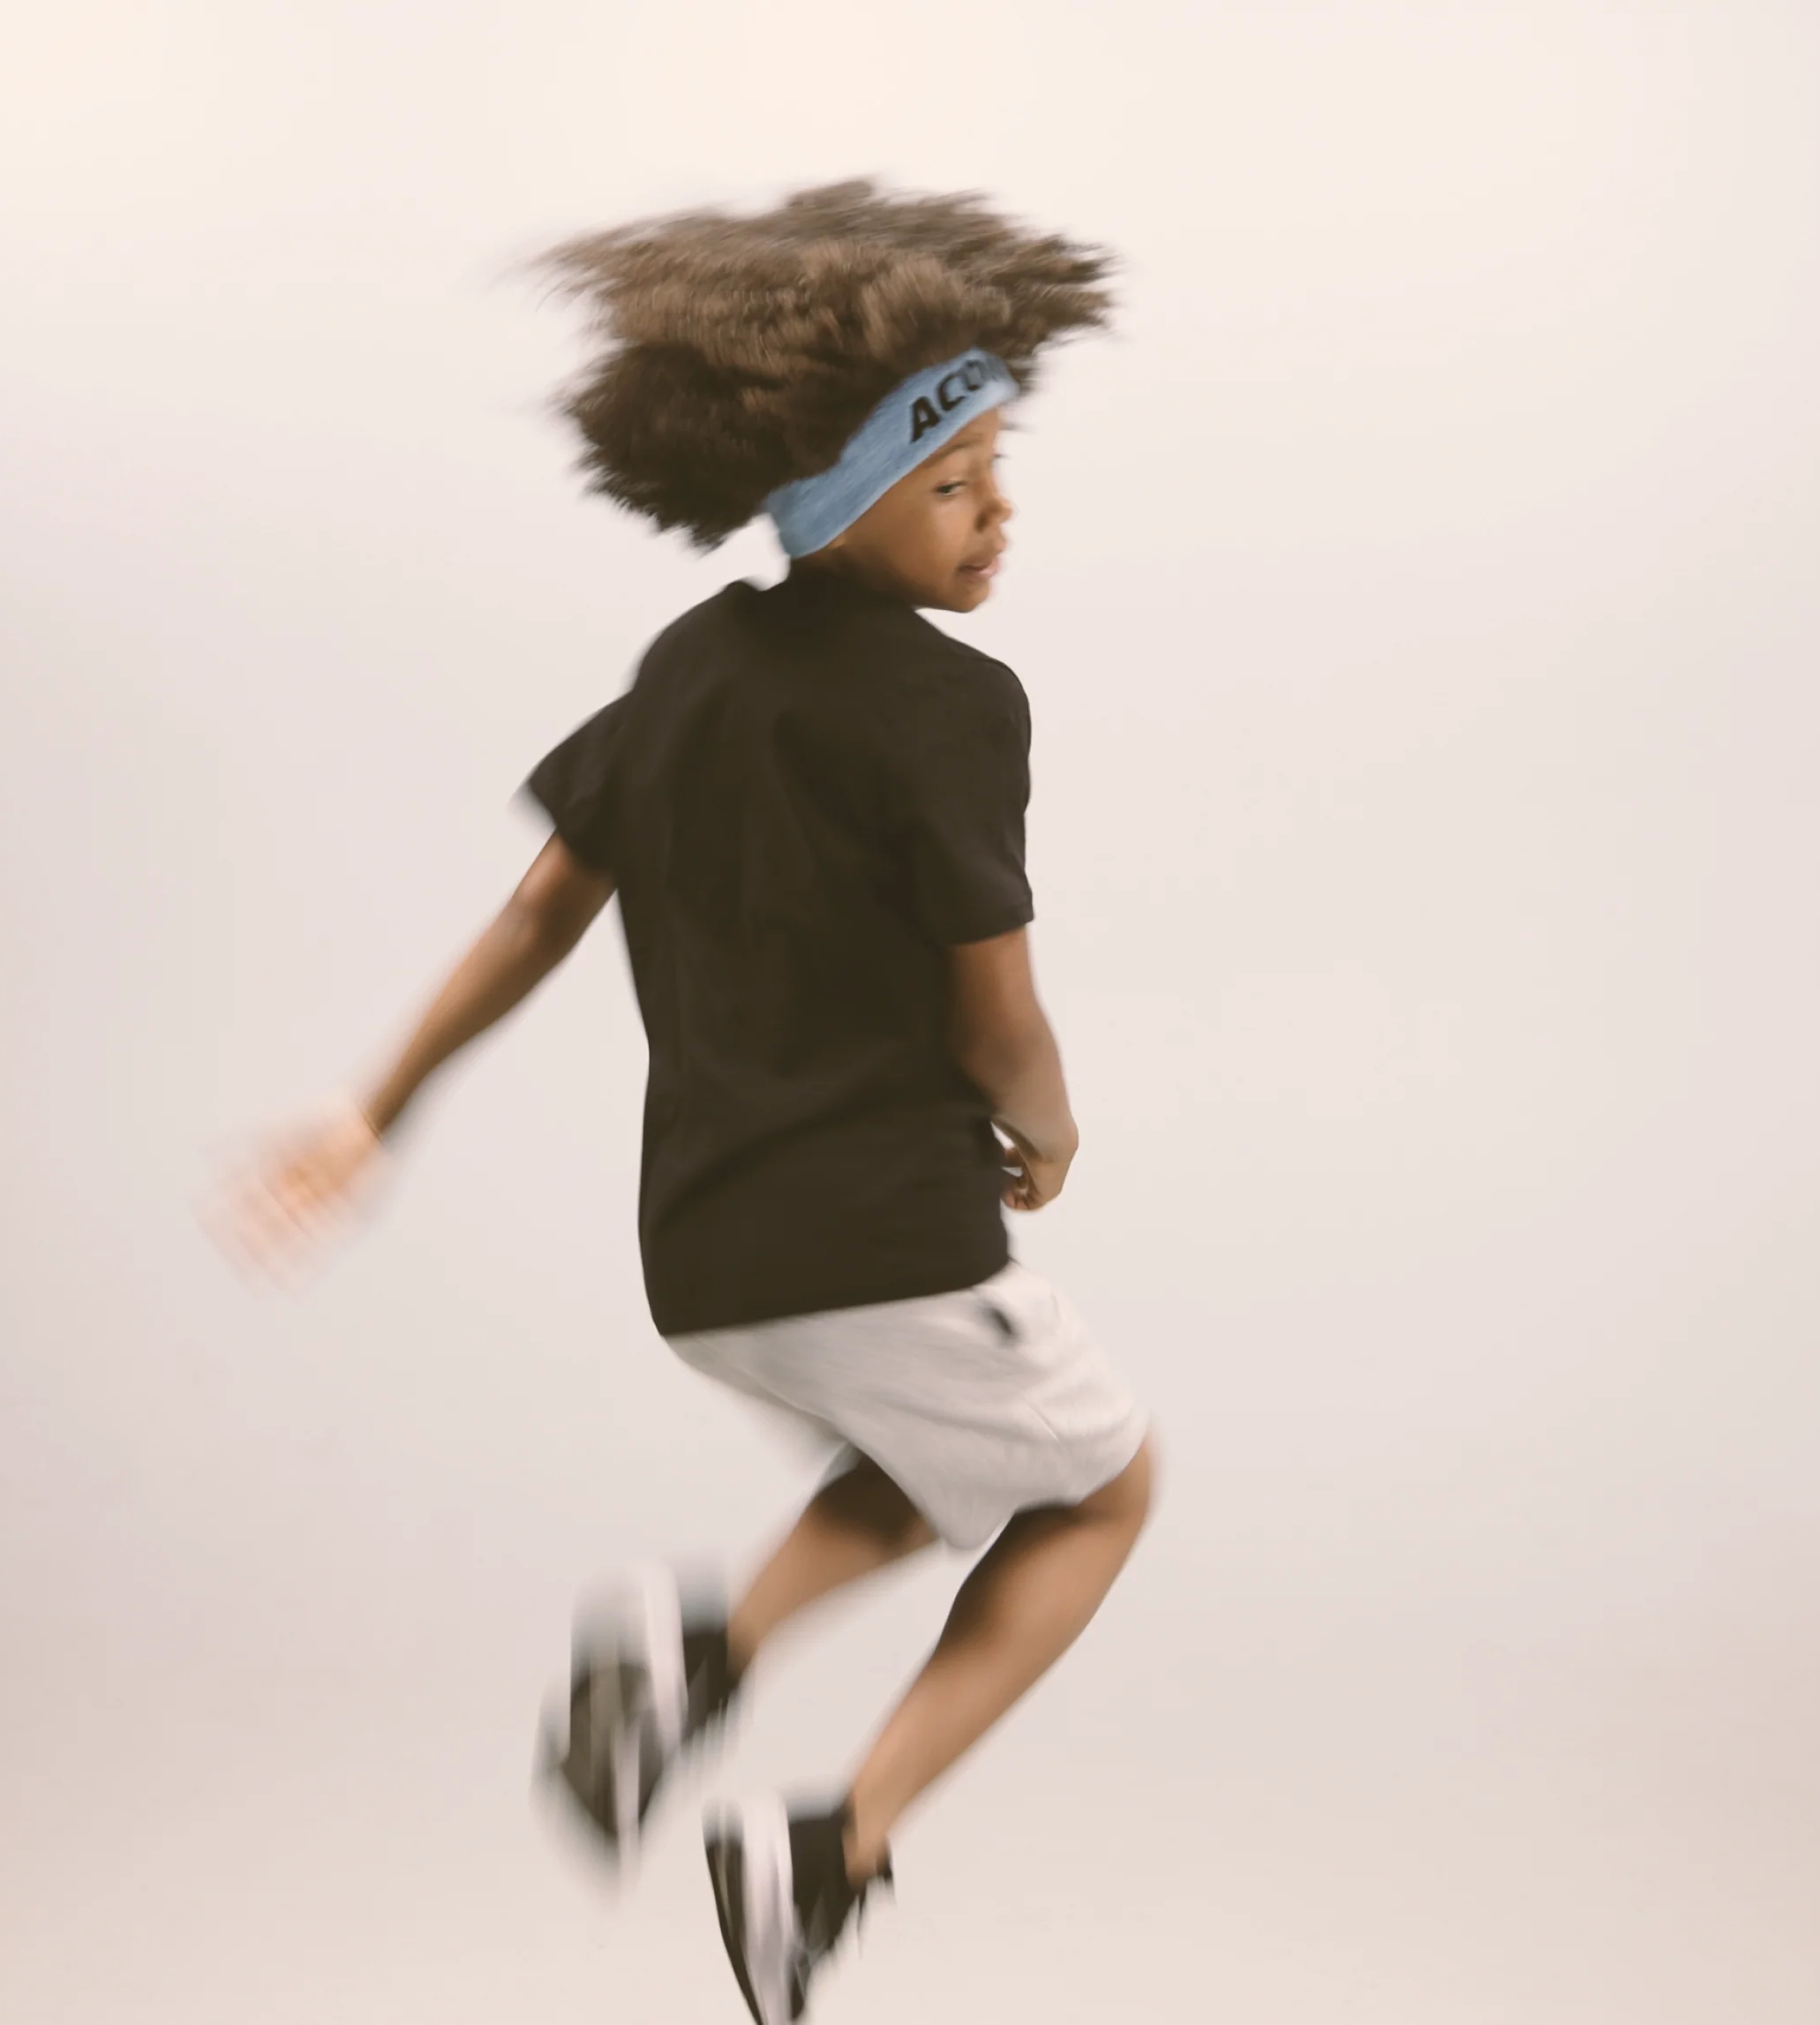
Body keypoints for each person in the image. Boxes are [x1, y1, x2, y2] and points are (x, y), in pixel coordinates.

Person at [208, 179, 1154, 2025]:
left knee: (926, 1468)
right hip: (881, 1226)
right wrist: (1045, 1122)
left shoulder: (687, 670)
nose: (998, 511)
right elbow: (998, 1005)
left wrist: (373, 1108)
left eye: (1000, 472)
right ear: (846, 499)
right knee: (1101, 1498)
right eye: (957, 483)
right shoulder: (951, 706)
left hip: (711, 1254)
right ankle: (828, 1846)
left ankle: (692, 1662)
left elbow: (539, 911)